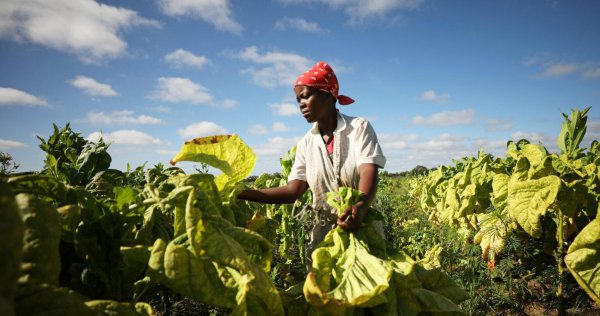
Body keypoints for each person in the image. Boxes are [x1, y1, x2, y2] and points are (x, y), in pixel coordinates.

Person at [238, 61, 386, 267]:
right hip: (324, 237)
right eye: (298, 99)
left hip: (363, 230)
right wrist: (241, 192)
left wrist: (359, 207)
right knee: (323, 294)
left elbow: (368, 168)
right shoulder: (306, 143)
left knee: (370, 291)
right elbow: (293, 191)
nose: (301, 104)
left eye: (306, 96)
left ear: (327, 95)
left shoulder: (358, 128)